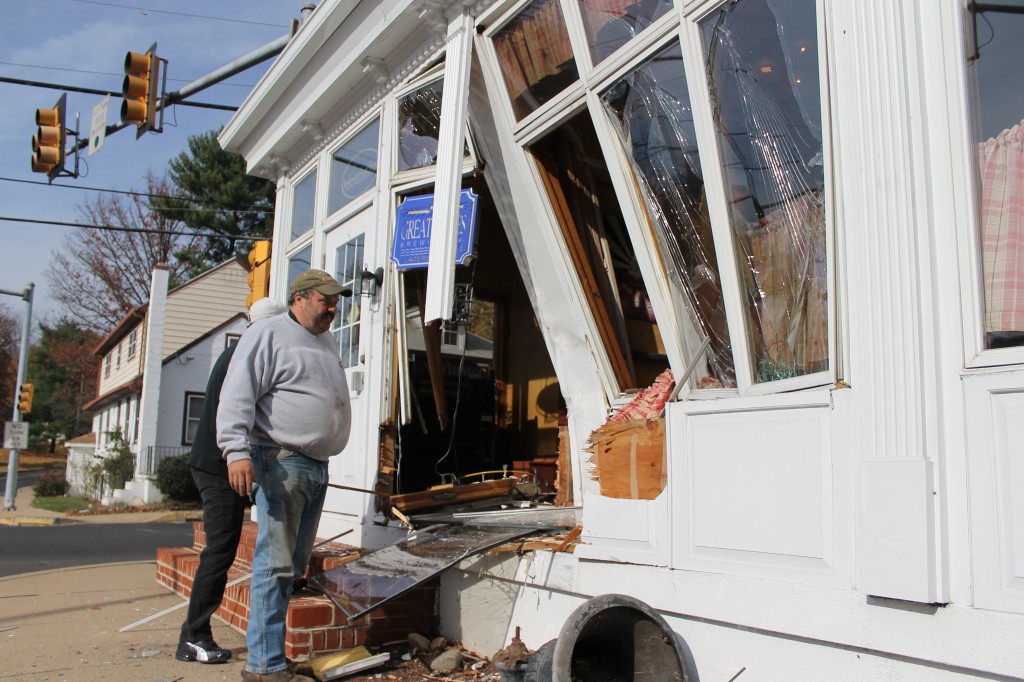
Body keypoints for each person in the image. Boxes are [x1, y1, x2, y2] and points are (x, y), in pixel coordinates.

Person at [218, 269, 353, 682]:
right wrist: (235, 451)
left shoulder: (324, 340)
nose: (333, 308)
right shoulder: (268, 334)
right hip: (280, 461)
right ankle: (263, 666)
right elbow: (237, 392)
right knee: (274, 566)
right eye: (325, 300)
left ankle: (270, 656)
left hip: (314, 466)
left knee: (291, 568)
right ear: (299, 298)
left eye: (335, 301)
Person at [176, 297, 288, 665]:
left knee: (256, 536)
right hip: (218, 465)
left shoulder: (240, 350)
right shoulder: (246, 355)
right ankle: (193, 636)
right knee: (220, 550)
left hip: (226, 462)